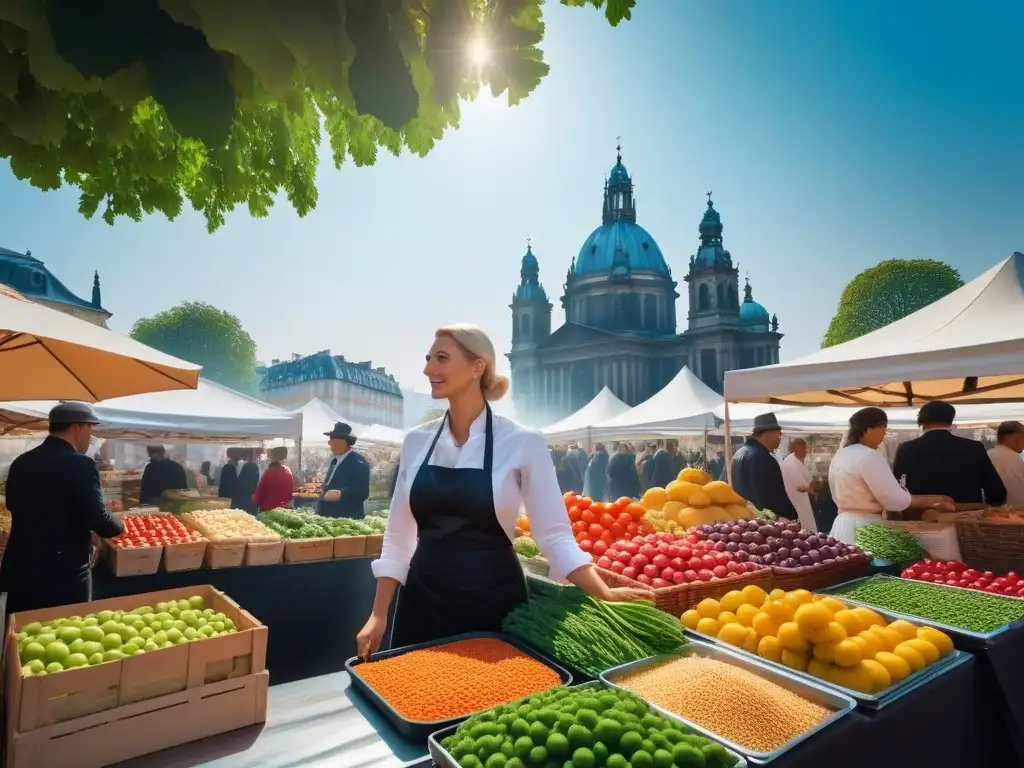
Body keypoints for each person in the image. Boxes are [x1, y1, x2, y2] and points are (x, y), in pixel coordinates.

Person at [356, 324, 644, 657]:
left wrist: (603, 593)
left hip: (493, 602)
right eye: (428, 358)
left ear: (477, 367)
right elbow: (398, 538)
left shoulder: (523, 442)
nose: (427, 369)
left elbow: (554, 536)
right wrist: (378, 615)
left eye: (441, 358)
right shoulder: (416, 442)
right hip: (423, 601)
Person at [0, 403, 124, 627]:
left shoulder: (21, 462)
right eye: (90, 429)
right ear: (76, 427)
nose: (91, 437)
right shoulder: (80, 464)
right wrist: (119, 524)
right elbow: (100, 520)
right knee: (62, 636)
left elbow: (13, 505)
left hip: (22, 569)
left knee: (21, 638)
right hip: (62, 573)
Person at [829, 407, 955, 543]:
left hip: (842, 526)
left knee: (844, 561)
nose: (884, 432)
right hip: (866, 527)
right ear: (868, 429)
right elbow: (894, 500)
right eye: (882, 427)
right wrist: (935, 501)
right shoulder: (869, 456)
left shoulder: (842, 454)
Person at [892, 401, 1006, 506]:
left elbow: (898, 489)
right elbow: (997, 492)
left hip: (920, 520)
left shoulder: (907, 449)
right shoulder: (973, 447)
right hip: (965, 520)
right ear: (951, 420)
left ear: (921, 421)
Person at [730, 413, 799, 520]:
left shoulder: (738, 454)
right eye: (778, 434)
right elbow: (771, 496)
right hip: (764, 524)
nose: (779, 439)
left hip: (742, 521)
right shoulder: (762, 458)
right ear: (768, 434)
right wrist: (791, 516)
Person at [317, 423, 370, 518]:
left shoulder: (358, 462)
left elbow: (362, 492)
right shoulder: (335, 460)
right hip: (328, 516)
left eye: (332, 442)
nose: (330, 446)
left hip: (345, 517)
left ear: (343, 443)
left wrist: (341, 494)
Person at [781, 438, 818, 532]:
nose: (805, 451)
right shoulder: (790, 463)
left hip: (802, 499)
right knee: (803, 528)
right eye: (803, 449)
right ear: (796, 449)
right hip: (795, 500)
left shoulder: (797, 461)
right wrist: (813, 490)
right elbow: (801, 487)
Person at [987, 421, 1024, 506]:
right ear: (1011, 437)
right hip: (1014, 512)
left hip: (995, 510)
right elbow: (1017, 493)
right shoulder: (1013, 457)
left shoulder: (988, 454)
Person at [252, 446, 295, 511]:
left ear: (273, 456)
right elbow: (290, 493)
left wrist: (253, 498)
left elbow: (260, 492)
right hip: (284, 510)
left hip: (269, 510)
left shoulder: (269, 472)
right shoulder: (288, 471)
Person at [231, 449, 262, 513]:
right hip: (249, 498)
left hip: (240, 498)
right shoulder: (254, 467)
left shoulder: (242, 465)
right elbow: (256, 482)